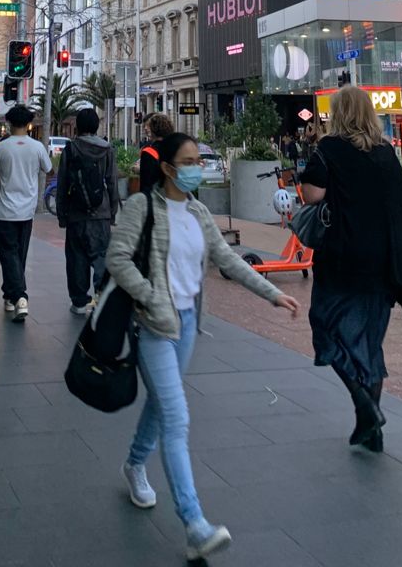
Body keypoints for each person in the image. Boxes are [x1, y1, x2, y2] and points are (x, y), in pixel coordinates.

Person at [107, 132, 299, 560]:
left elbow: (227, 260)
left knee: (160, 406)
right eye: (190, 160)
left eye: (200, 159)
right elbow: (117, 259)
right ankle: (194, 524)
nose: (198, 167)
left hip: (189, 324)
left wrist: (270, 292)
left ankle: (135, 464)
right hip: (154, 326)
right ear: (170, 167)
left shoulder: (197, 210)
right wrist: (151, 296)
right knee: (176, 418)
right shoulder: (142, 207)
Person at [301, 86, 402, 453]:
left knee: (327, 328)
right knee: (370, 343)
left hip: (342, 258)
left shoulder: (329, 149)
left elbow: (312, 196)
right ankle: (373, 430)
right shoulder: (386, 153)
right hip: (384, 262)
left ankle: (365, 408)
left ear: (339, 113)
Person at [0, 104, 51, 322]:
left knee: (7, 253)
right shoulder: (37, 147)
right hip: (27, 210)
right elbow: (48, 168)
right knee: (18, 254)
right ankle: (9, 294)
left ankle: (20, 296)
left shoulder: (0, 148)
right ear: (29, 123)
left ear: (9, 123)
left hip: (5, 209)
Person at [57, 106, 118, 315]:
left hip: (76, 212)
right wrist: (112, 211)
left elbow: (63, 183)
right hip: (101, 213)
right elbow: (112, 182)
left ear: (78, 126)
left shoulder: (71, 149)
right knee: (101, 255)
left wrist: (62, 213)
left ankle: (79, 301)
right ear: (96, 125)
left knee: (76, 258)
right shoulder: (107, 149)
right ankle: (102, 293)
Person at [138, 113, 174, 194]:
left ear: (153, 130)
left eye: (148, 126)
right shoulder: (175, 148)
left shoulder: (149, 152)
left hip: (156, 195)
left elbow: (146, 182)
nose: (146, 129)